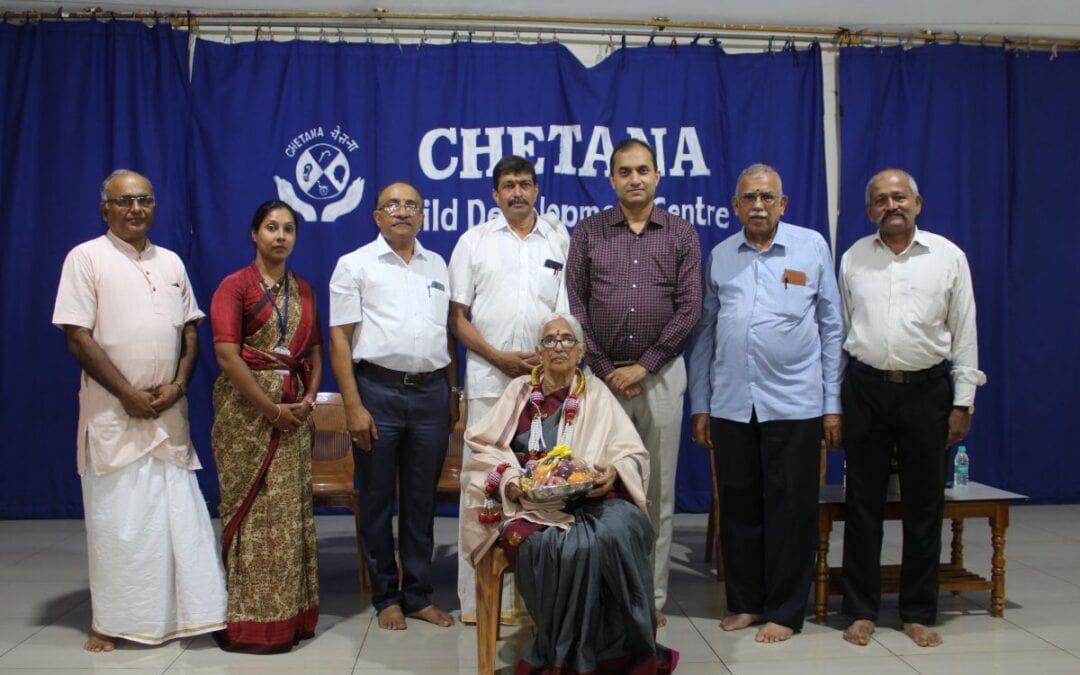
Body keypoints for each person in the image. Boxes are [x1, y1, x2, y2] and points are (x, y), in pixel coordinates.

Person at [51, 169, 227, 652]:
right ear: (105, 208)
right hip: (114, 414)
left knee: (178, 517)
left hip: (168, 412)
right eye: (124, 201)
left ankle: (193, 615)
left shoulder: (170, 261)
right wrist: (126, 393)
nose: (135, 209)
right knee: (120, 522)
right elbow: (77, 335)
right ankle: (110, 622)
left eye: (144, 200)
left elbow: (190, 331)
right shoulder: (86, 258)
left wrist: (178, 385)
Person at [462, 314, 679, 674]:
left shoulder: (597, 393)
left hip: (591, 498)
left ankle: (618, 651)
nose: (558, 346)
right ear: (538, 351)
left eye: (567, 340)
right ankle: (566, 652)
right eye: (550, 340)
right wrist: (510, 480)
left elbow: (630, 452)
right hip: (529, 503)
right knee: (555, 545)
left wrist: (613, 472)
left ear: (581, 352)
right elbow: (484, 447)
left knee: (619, 532)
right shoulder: (519, 391)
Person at [687, 163, 844, 642]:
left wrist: (832, 402)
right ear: (735, 206)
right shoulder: (720, 255)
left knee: (790, 510)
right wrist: (701, 403)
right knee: (739, 508)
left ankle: (785, 611)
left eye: (767, 197)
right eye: (749, 198)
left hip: (796, 404)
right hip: (733, 404)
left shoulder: (811, 246)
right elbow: (705, 332)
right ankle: (747, 603)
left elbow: (832, 327)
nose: (758, 205)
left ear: (783, 204)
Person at [839, 169, 985, 648]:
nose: (891, 206)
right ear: (870, 211)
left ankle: (918, 611)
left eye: (899, 197)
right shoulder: (854, 259)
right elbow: (841, 330)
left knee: (925, 506)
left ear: (917, 203)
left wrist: (962, 401)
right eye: (881, 200)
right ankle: (860, 610)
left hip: (927, 393)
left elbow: (964, 333)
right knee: (863, 504)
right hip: (865, 390)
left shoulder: (947, 257)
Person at [566, 138, 702, 624]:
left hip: (661, 376)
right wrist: (604, 368)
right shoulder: (589, 233)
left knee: (657, 492)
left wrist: (645, 364)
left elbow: (690, 308)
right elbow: (576, 305)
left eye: (643, 169)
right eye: (625, 171)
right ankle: (604, 592)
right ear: (613, 179)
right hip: (601, 378)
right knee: (597, 488)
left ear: (658, 176)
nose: (635, 178)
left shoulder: (682, 234)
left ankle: (651, 598)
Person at [328, 181, 458, 631]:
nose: (402, 211)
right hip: (376, 393)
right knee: (379, 498)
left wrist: (453, 393)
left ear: (423, 215)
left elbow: (446, 335)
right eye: (392, 205)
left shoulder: (437, 264)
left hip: (430, 395)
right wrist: (352, 406)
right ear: (377, 216)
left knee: (422, 501)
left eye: (411, 205)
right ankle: (386, 595)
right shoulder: (354, 265)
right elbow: (340, 340)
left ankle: (418, 593)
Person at [448, 154, 570, 624]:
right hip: (488, 381)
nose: (517, 192)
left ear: (537, 190)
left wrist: (548, 358)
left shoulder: (559, 238)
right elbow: (457, 318)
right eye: (508, 185)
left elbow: (564, 315)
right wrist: (498, 356)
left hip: (546, 384)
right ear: (494, 195)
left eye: (524, 184)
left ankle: (533, 601)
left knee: (542, 486)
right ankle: (477, 602)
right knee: (482, 486)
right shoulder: (473, 242)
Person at [209, 200, 322, 652]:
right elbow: (226, 355)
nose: (280, 236)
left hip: (295, 418)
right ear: (254, 233)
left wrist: (309, 397)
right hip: (245, 417)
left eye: (289, 229)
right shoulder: (234, 287)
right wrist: (270, 409)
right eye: (272, 227)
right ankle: (248, 625)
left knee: (289, 514)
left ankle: (290, 619)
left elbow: (311, 354)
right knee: (254, 513)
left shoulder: (306, 291)